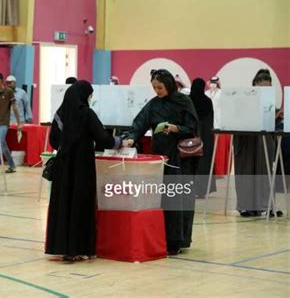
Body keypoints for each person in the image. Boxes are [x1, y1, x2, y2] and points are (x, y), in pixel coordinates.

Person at [122, 69, 199, 255]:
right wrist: (131, 137)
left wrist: (174, 128)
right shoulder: (154, 104)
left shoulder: (184, 102)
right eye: (154, 87)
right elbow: (139, 123)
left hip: (180, 157)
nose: (157, 91)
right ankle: (160, 237)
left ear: (169, 85)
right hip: (159, 157)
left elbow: (193, 127)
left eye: (160, 87)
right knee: (160, 197)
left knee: (177, 197)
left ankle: (177, 240)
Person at [46, 80, 124, 262]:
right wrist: (121, 142)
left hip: (64, 166)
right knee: (80, 204)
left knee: (64, 204)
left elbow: (53, 140)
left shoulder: (60, 114)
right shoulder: (87, 114)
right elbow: (104, 139)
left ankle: (62, 248)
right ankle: (79, 248)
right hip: (82, 166)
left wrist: (66, 147)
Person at [233, 69, 283, 217]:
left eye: (268, 88)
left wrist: (276, 117)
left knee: (265, 171)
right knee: (246, 171)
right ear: (255, 84)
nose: (265, 91)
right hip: (246, 140)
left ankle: (267, 205)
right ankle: (246, 207)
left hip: (264, 141)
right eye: (262, 88)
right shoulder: (243, 98)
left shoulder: (270, 101)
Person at [189, 78, 216, 198]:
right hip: (205, 137)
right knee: (204, 163)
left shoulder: (188, 100)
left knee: (190, 162)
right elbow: (210, 120)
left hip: (190, 137)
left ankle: (189, 188)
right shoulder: (208, 101)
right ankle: (202, 190)